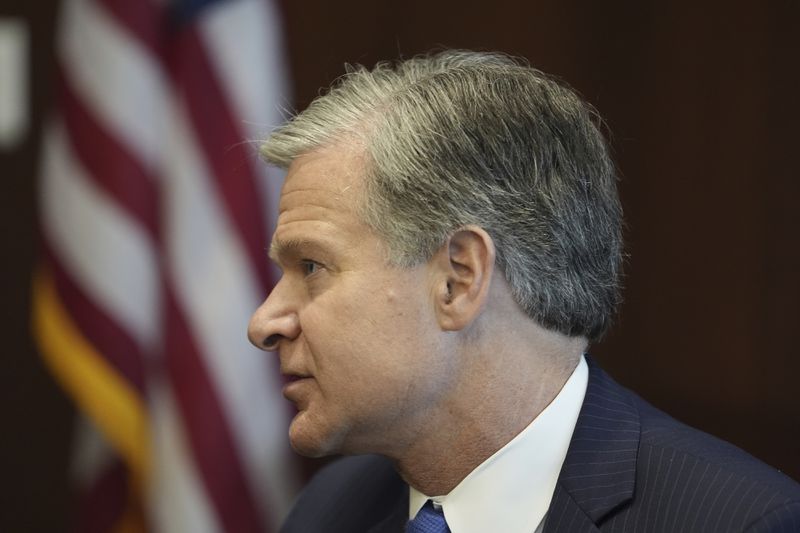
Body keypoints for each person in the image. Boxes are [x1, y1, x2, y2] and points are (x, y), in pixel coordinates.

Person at [248, 50, 800, 532]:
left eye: (312, 266)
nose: (265, 323)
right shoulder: (328, 509)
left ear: (458, 279)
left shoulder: (733, 520)